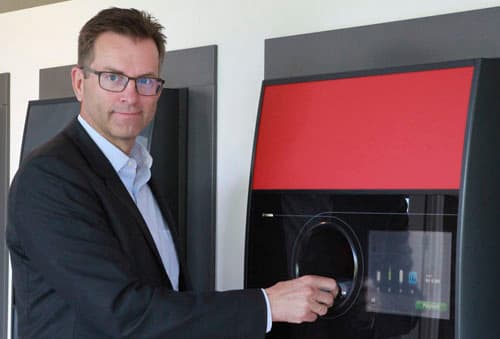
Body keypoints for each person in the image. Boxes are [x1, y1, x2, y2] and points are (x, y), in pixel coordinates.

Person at [7, 7, 338, 338]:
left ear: (159, 90)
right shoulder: (50, 178)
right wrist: (267, 305)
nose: (131, 96)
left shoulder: (140, 173)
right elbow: (123, 314)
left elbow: (168, 296)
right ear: (80, 83)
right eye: (113, 78)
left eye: (145, 81)